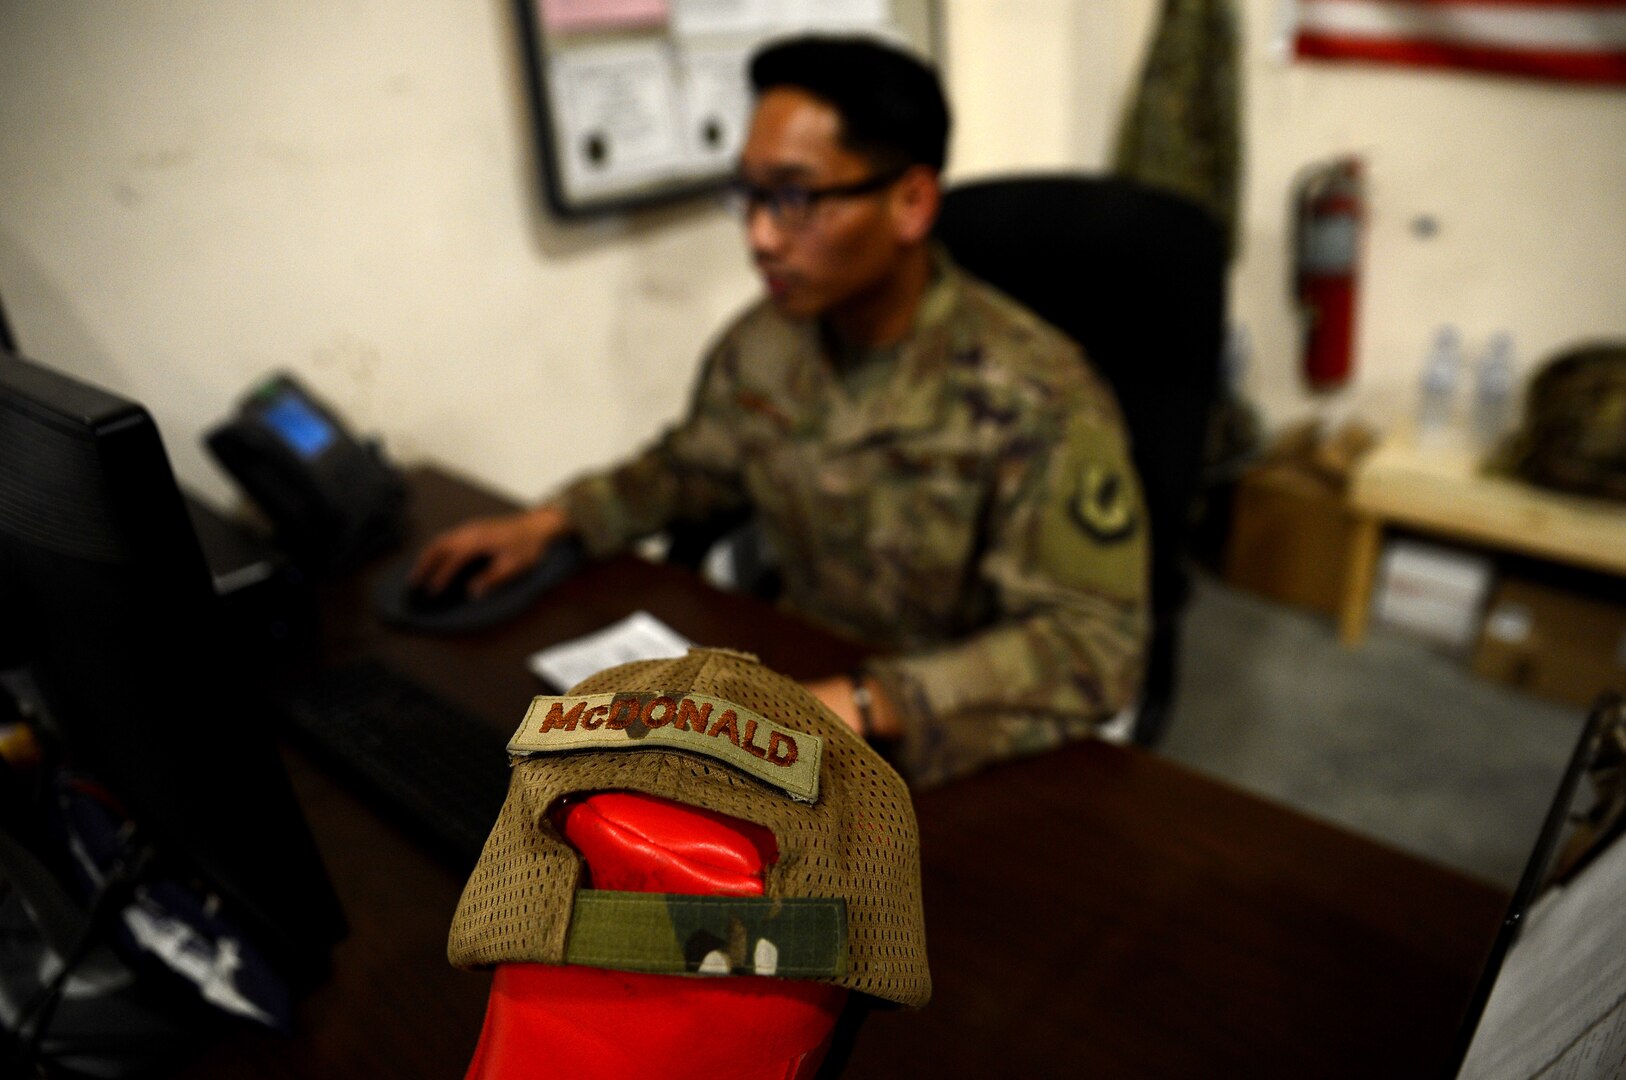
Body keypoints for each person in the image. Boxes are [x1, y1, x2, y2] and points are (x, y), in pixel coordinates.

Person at [413, 35, 1148, 788]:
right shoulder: (767, 342)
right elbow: (691, 468)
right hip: (801, 680)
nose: (761, 236)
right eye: (751, 196)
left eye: (796, 198)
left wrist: (866, 701)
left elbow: (1094, 645)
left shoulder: (1037, 394)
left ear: (912, 202)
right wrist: (551, 521)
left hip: (961, 739)